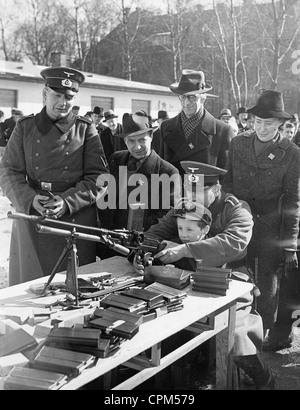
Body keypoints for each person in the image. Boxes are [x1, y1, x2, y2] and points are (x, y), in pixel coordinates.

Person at [133, 161, 274, 390]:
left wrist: (185, 249)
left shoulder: (236, 209)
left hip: (231, 280)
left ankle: (263, 378)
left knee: (235, 334)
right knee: (165, 321)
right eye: (190, 191)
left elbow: (235, 242)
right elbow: (155, 233)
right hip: (190, 280)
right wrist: (139, 253)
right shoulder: (183, 206)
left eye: (200, 192)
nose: (193, 198)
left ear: (216, 189)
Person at [0, 66, 108, 286]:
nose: (63, 102)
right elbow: (8, 171)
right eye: (57, 95)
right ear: (45, 94)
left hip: (74, 220)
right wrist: (29, 200)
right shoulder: (25, 127)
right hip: (32, 217)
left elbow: (99, 178)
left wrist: (67, 201)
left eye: (69, 97)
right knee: (28, 288)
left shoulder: (85, 130)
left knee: (72, 291)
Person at [222, 89, 300, 351]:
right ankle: (229, 340)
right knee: (234, 281)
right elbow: (228, 180)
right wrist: (232, 203)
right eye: (258, 122)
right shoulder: (238, 143)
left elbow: (293, 201)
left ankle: (257, 349)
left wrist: (289, 244)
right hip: (236, 224)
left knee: (266, 289)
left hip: (269, 230)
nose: (262, 128)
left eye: (269, 123)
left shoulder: (291, 153)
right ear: (250, 121)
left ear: (280, 124)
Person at [97, 110, 180, 262]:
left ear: (151, 137)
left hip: (142, 248)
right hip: (110, 246)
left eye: (142, 140)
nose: (137, 147)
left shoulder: (167, 172)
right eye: (131, 141)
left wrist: (134, 230)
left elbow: (167, 216)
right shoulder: (116, 159)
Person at [159, 69, 234, 176]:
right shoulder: (166, 127)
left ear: (203, 98)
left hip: (205, 191)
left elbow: (226, 174)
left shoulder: (222, 131)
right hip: (174, 191)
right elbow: (161, 170)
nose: (186, 103)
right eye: (182, 97)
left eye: (192, 97)